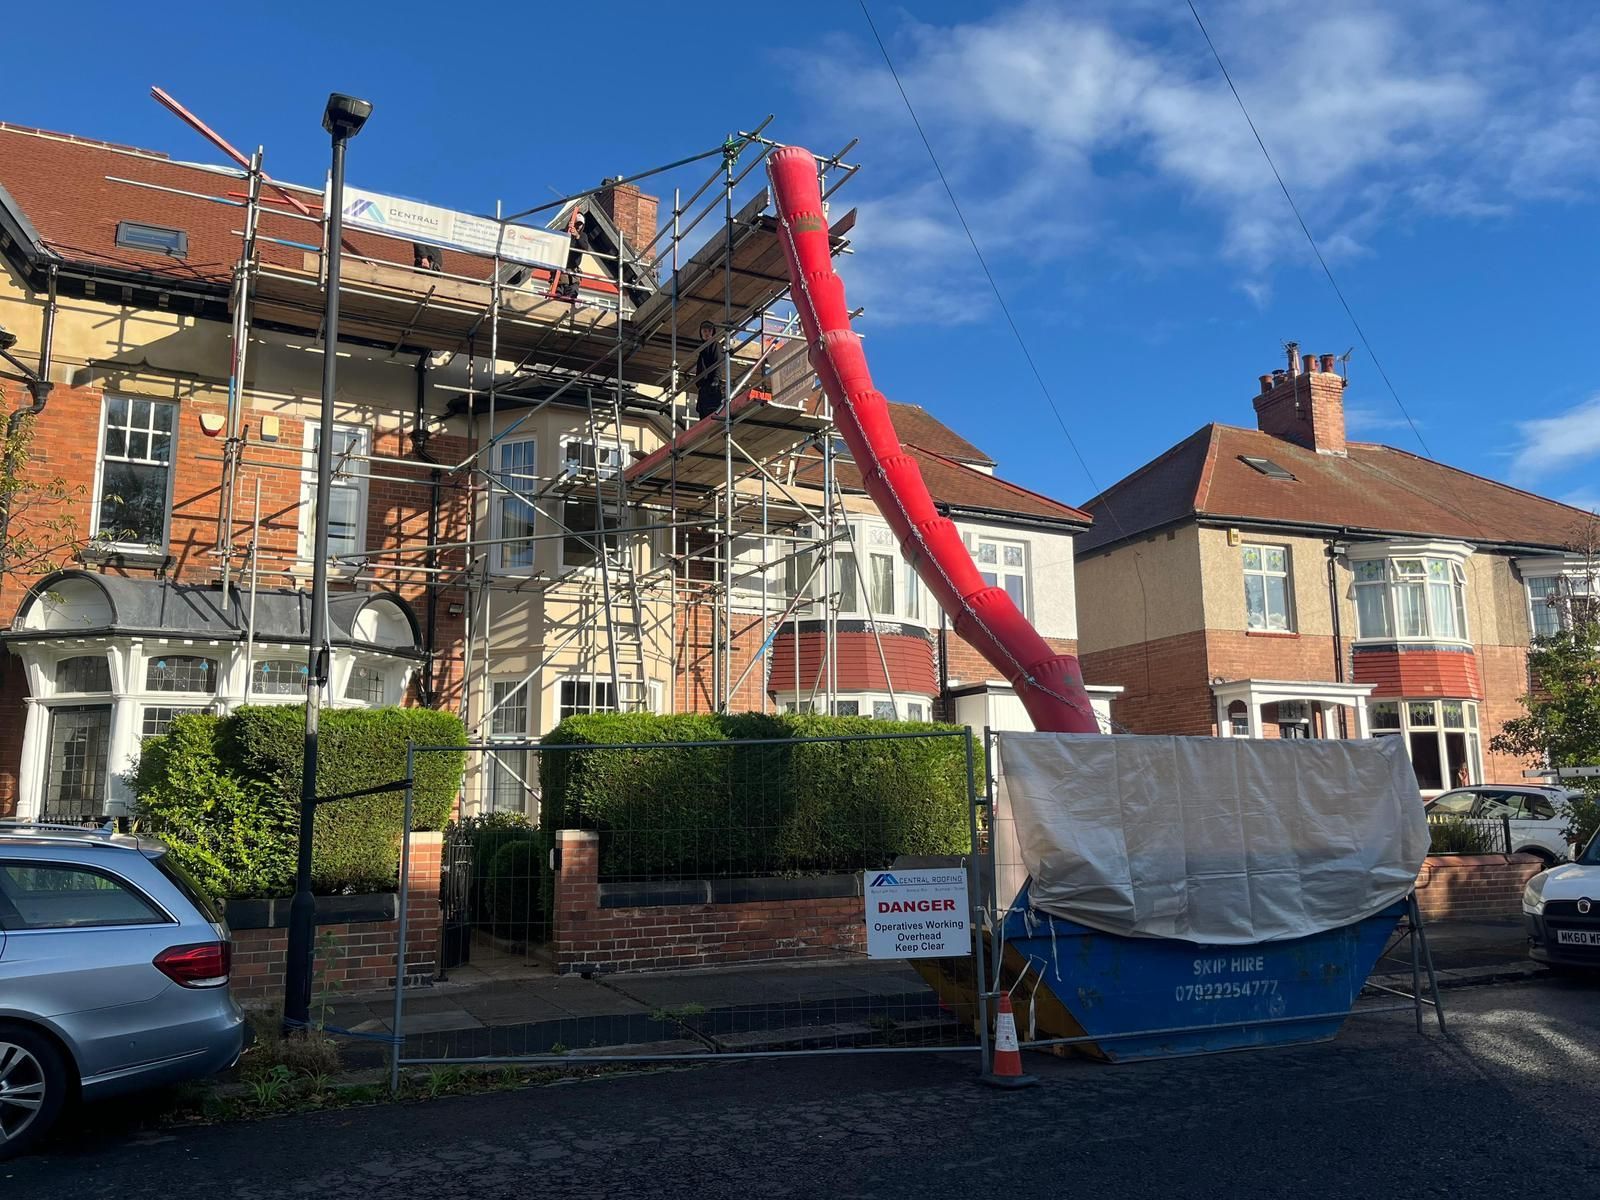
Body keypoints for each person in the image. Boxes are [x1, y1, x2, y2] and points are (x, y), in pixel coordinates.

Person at [694, 320, 723, 420]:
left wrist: (716, 380)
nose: (706, 333)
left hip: (711, 387)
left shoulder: (715, 345)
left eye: (709, 331)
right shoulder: (702, 349)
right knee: (703, 417)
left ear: (712, 332)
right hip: (703, 388)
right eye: (704, 331)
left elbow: (718, 362)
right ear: (701, 332)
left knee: (711, 416)